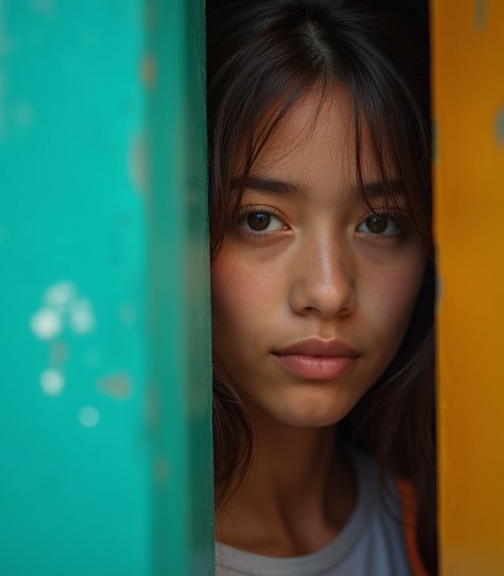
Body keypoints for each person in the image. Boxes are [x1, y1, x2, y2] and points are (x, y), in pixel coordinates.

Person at [206, 0, 436, 574]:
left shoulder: (437, 536)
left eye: (379, 223)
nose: (330, 292)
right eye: (259, 219)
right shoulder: (100, 545)